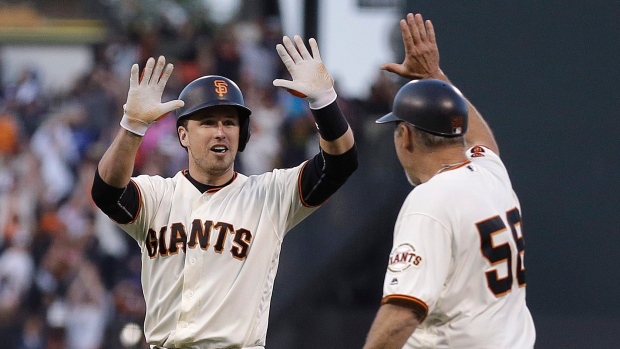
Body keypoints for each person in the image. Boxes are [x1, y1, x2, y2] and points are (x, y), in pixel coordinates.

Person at [90, 35, 357, 348]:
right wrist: (132, 126)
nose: (220, 131)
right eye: (207, 122)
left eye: (230, 122)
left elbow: (340, 163)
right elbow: (106, 192)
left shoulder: (270, 195)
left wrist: (324, 102)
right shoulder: (157, 195)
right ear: (183, 134)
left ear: (242, 134)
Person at [362, 13, 535, 349]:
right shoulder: (490, 173)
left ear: (404, 136)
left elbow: (402, 315)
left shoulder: (430, 202)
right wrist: (435, 76)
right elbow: (486, 143)